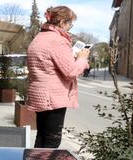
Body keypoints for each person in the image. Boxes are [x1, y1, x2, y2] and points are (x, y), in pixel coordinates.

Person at [26, 6, 90, 148]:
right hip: (52, 97)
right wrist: (82, 58)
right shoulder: (57, 40)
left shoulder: (39, 37)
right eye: (70, 24)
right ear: (62, 22)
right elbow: (71, 72)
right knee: (52, 139)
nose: (69, 28)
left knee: (42, 135)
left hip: (40, 94)